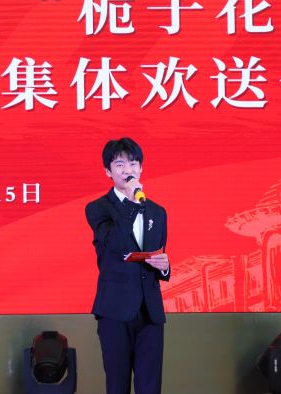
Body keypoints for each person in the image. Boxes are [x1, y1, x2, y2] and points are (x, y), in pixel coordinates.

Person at [85, 137, 171, 394]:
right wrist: (132, 203)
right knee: (117, 385)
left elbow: (157, 253)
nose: (128, 170)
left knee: (150, 386)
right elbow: (116, 242)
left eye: (133, 164)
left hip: (150, 311)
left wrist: (164, 266)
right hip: (115, 310)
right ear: (108, 171)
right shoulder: (97, 208)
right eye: (120, 164)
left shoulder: (157, 212)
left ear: (141, 168)